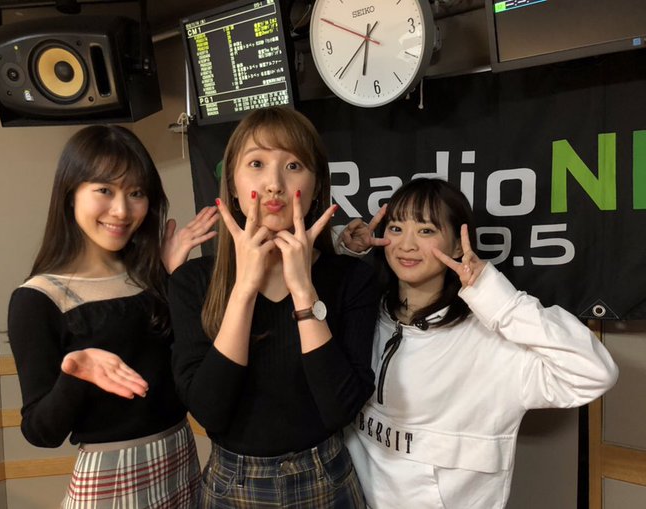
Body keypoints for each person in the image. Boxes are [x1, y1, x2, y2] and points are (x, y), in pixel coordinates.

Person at [339, 178, 619, 509]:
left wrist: (495, 296)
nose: (406, 245)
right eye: (396, 228)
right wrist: (343, 252)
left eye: (426, 230)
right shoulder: (365, 315)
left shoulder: (490, 341)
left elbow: (594, 372)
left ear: (459, 245)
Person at [168, 106, 380, 508]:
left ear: (317, 186)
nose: (274, 185)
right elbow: (210, 411)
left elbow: (339, 409)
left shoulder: (352, 280)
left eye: (294, 165)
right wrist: (245, 288)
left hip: (327, 477)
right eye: (257, 164)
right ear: (232, 184)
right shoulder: (191, 283)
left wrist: (303, 292)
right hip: (232, 485)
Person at [7, 125, 218, 508]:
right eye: (104, 190)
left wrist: (169, 277)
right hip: (111, 477)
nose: (121, 210)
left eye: (136, 193)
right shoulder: (38, 298)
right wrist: (75, 374)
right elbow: (40, 432)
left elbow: (181, 367)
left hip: (180, 458)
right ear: (71, 193)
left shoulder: (151, 277)